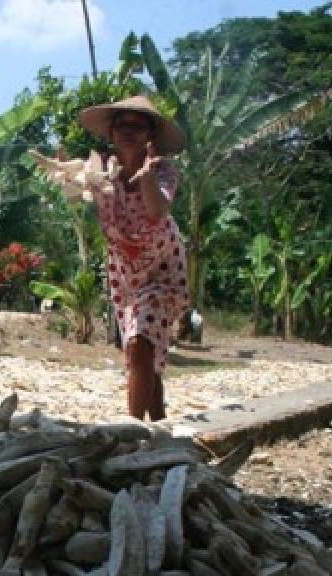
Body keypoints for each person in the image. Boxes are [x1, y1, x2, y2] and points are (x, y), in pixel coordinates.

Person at [78, 96, 189, 421]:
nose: (129, 132)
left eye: (138, 126)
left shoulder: (165, 171)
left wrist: (147, 177)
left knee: (141, 342)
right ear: (111, 132)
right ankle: (158, 424)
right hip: (124, 271)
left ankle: (131, 432)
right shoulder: (100, 170)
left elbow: (157, 211)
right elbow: (84, 203)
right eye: (122, 125)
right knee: (146, 354)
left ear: (150, 135)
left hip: (163, 270)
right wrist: (68, 176)